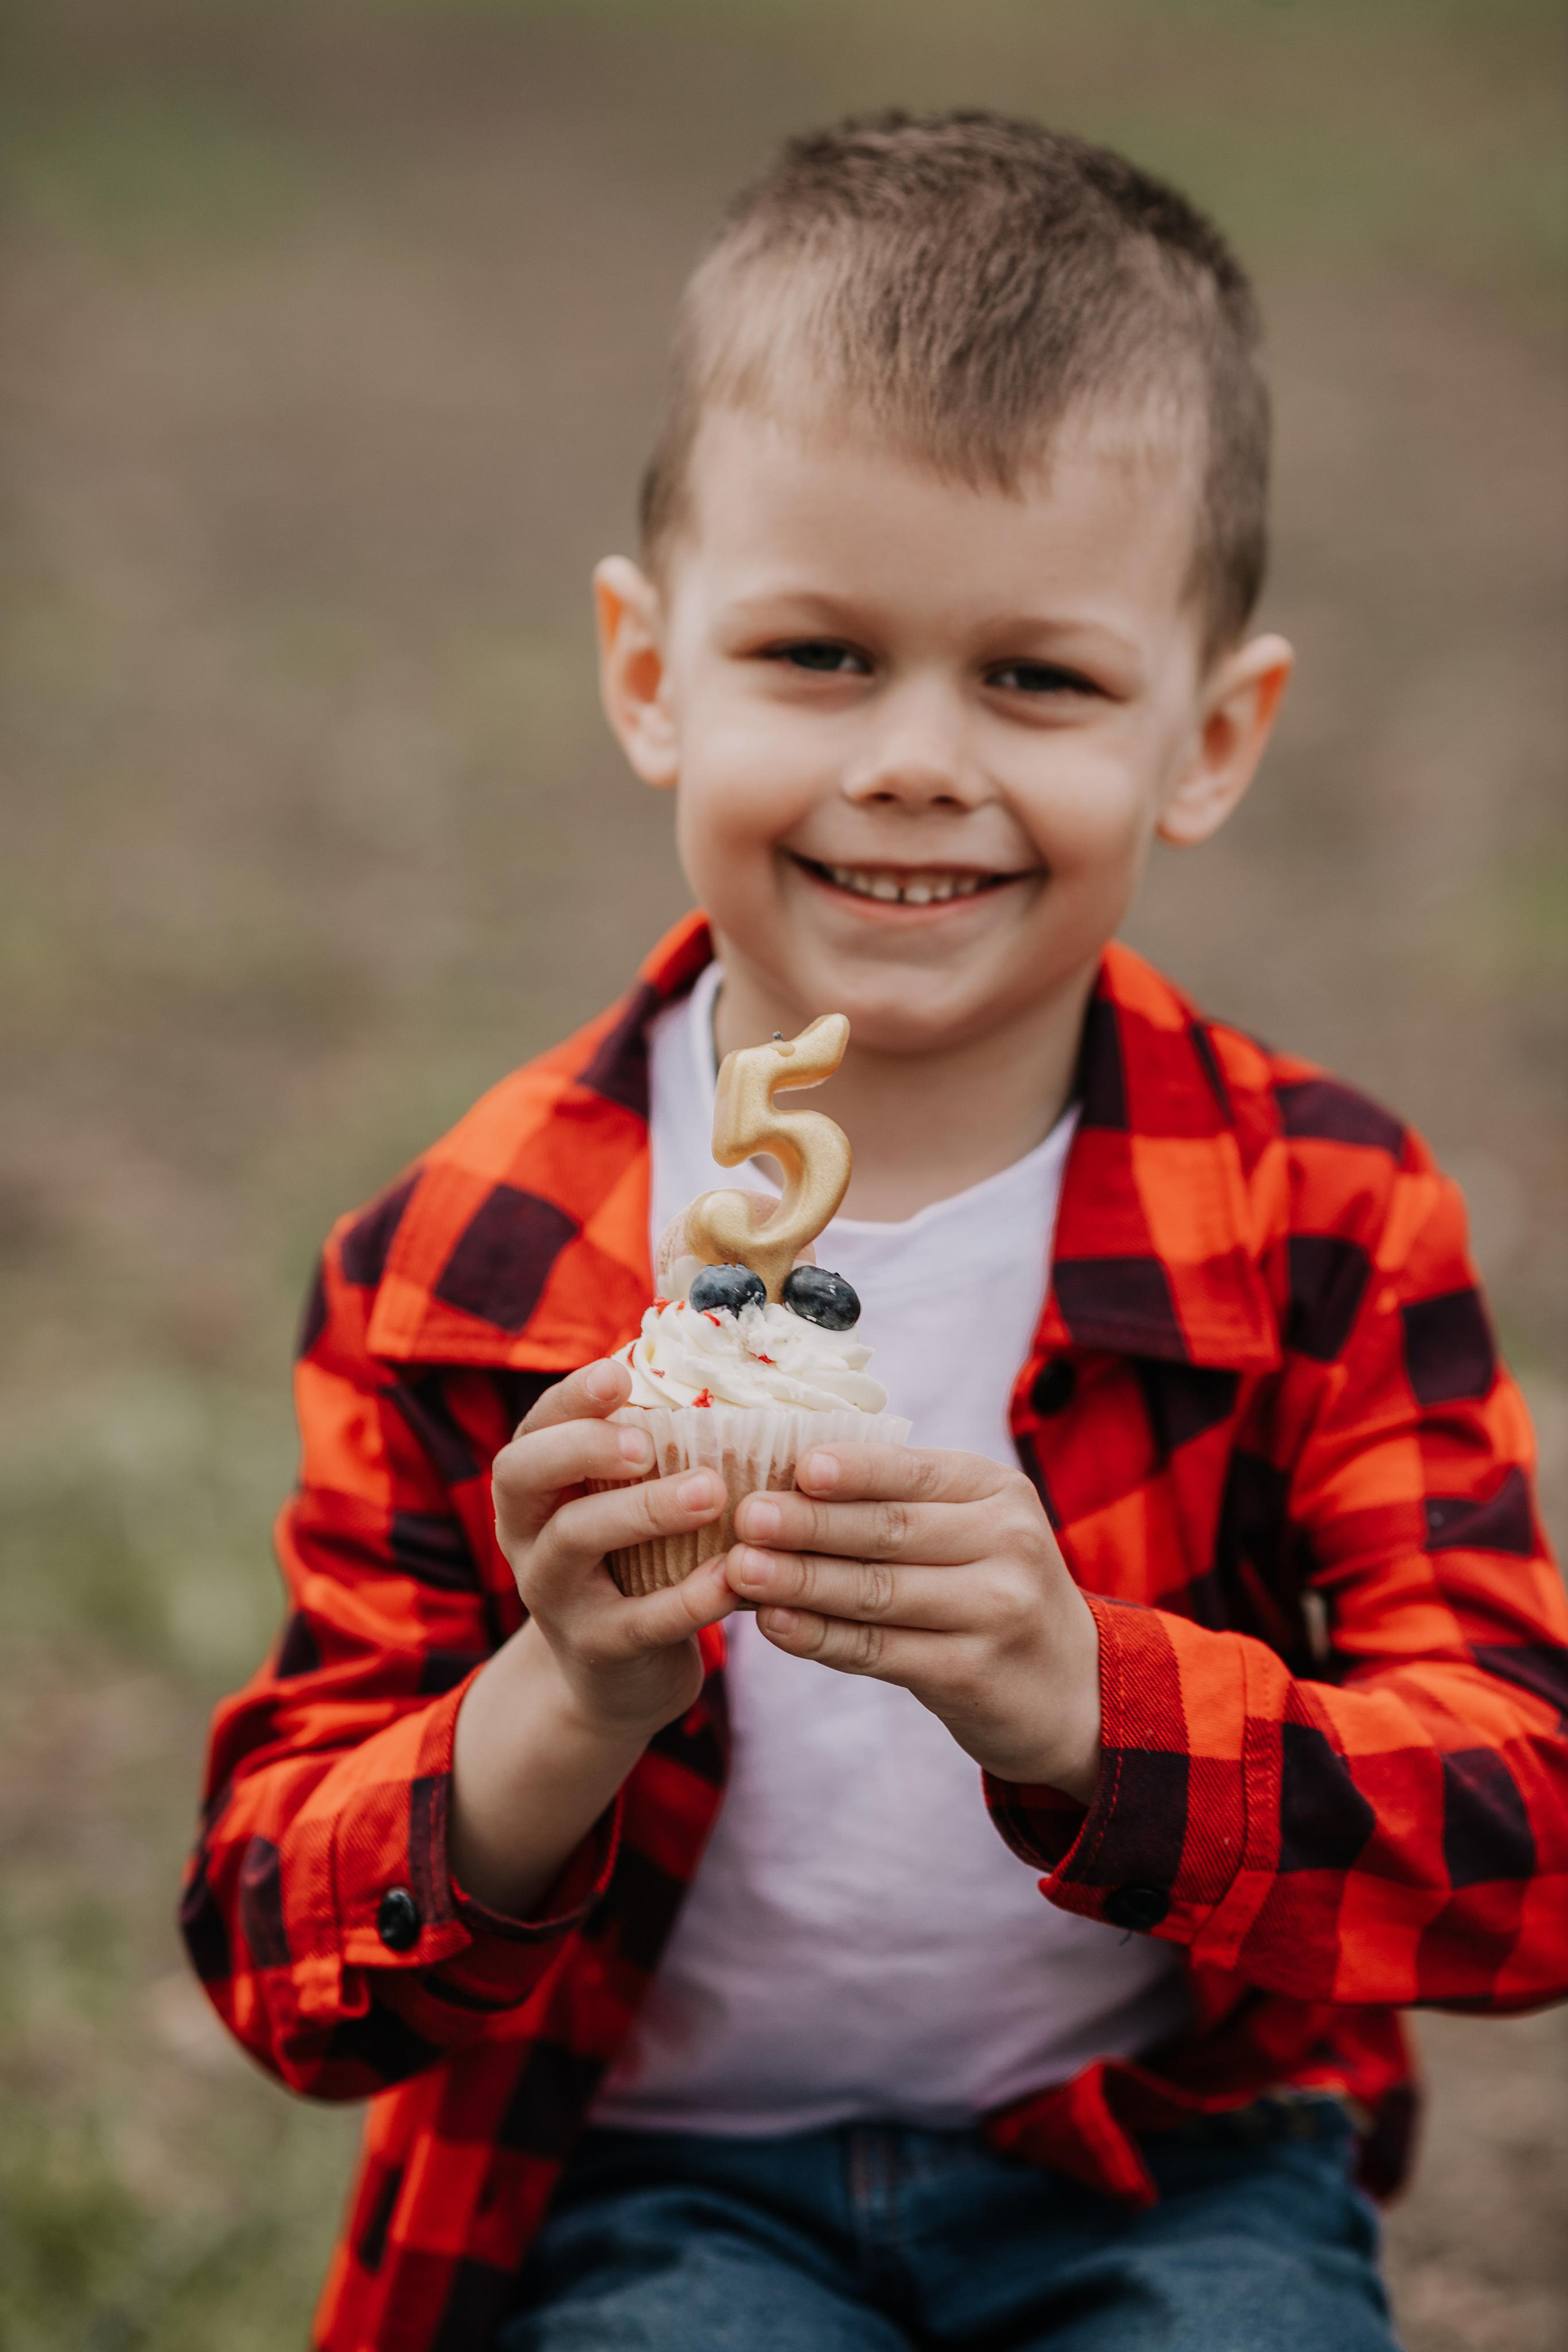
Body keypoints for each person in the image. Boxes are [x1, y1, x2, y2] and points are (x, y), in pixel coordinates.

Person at [182, 112, 1568, 2352]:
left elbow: (1528, 1838)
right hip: (654, 2187)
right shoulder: (468, 1261)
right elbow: (276, 1959)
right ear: (652, 673)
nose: (918, 759)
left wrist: (1079, 1699)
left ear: (1214, 737)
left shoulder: (1321, 1212)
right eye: (820, 654)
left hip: (1159, 2156)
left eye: (1039, 679)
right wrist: (569, 1694)